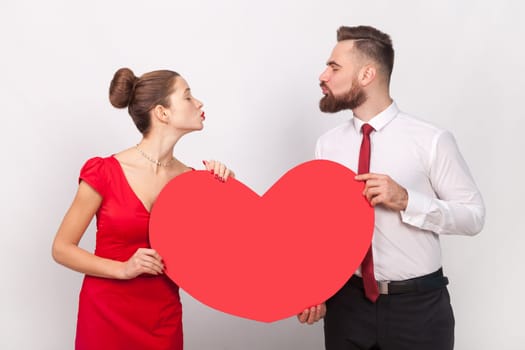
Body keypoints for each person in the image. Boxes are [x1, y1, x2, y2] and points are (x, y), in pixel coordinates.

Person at [297, 25, 485, 350]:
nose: (323, 75)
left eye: (334, 67)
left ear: (367, 74)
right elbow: (321, 231)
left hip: (418, 309)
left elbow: (473, 217)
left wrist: (407, 200)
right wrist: (314, 288)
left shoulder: (431, 140)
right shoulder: (327, 146)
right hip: (347, 306)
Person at [52, 67, 234, 350]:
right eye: (187, 96)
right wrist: (123, 269)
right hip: (104, 316)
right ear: (162, 113)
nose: (199, 103)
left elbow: (221, 256)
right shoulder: (105, 171)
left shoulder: (192, 182)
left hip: (161, 319)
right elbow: (62, 248)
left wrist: (227, 191)